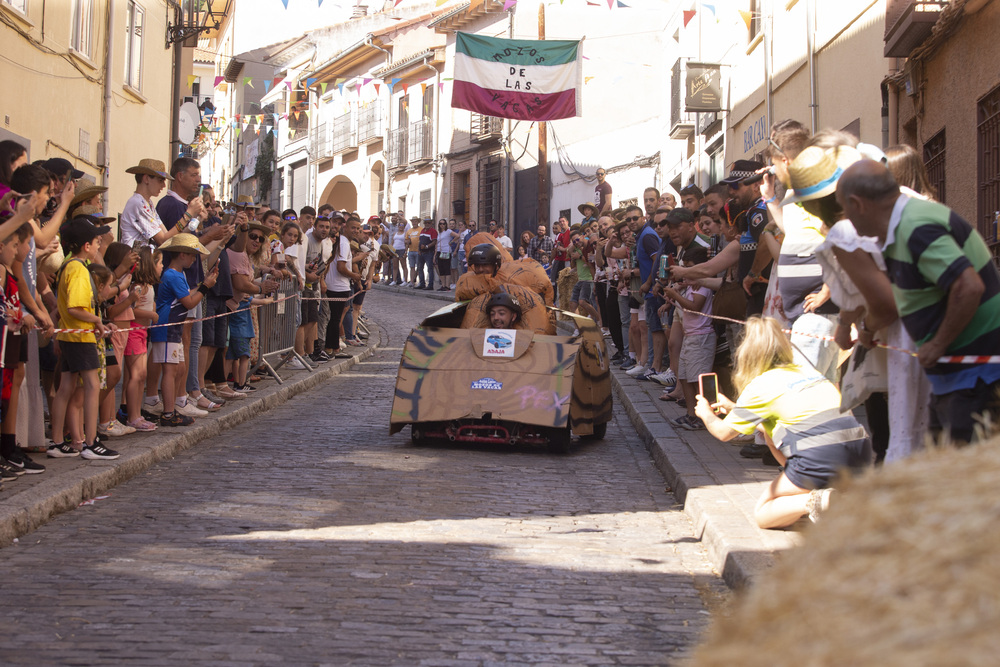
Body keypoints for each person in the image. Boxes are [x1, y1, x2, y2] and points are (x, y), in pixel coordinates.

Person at [837, 159, 1000, 445]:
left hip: (976, 375)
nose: (845, 219)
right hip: (959, 375)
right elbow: (904, 299)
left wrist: (937, 343)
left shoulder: (916, 228)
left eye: (844, 209)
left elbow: (968, 286)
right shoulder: (904, 227)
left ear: (856, 204)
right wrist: (867, 328)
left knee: (961, 470)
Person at [694, 317, 872, 528]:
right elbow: (790, 419)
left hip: (819, 455)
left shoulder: (760, 385)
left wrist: (705, 413)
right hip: (859, 449)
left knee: (764, 513)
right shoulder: (808, 372)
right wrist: (734, 408)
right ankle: (824, 493)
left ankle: (814, 500)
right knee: (769, 432)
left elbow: (723, 433)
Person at [47, 217, 119, 459]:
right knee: (91, 387)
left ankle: (57, 442)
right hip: (80, 337)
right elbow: (76, 308)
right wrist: (98, 321)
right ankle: (90, 442)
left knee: (66, 388)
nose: (100, 246)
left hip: (70, 336)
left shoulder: (68, 267)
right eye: (97, 242)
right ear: (86, 246)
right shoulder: (78, 269)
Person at [152, 234, 219, 427]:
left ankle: (173, 406)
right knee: (171, 371)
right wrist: (205, 287)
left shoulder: (176, 274)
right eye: (192, 256)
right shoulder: (172, 274)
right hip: (168, 328)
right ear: (182, 254)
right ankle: (168, 412)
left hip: (174, 329)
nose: (194, 260)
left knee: (178, 369)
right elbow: (189, 302)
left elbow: (187, 295)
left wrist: (203, 284)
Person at [661, 246, 715, 430]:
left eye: (689, 268)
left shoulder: (704, 287)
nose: (685, 274)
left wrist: (675, 295)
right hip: (690, 336)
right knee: (684, 377)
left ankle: (705, 416)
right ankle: (691, 414)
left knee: (697, 379)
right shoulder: (691, 286)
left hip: (701, 337)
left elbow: (694, 307)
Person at [324, 217, 363, 358]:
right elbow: (341, 267)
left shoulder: (343, 242)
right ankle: (332, 348)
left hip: (338, 285)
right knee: (335, 318)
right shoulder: (344, 243)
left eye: (358, 228)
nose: (356, 231)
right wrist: (354, 275)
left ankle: (333, 348)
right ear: (345, 227)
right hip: (338, 286)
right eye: (353, 227)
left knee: (335, 318)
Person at [416, 218, 437, 290]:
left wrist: (426, 246)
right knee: (420, 268)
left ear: (431, 223)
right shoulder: (422, 230)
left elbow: (434, 242)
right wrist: (419, 249)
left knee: (430, 269)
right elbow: (420, 241)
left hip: (429, 252)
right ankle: (422, 283)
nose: (427, 224)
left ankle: (430, 285)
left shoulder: (433, 231)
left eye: (428, 223)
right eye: (426, 223)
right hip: (421, 253)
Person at [435, 219, 455, 291]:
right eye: (440, 224)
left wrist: (451, 242)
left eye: (443, 224)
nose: (442, 225)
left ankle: (447, 286)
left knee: (447, 268)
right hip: (439, 251)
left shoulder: (448, 231)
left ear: (445, 224)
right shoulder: (439, 233)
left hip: (446, 251)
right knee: (441, 269)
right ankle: (443, 285)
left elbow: (457, 236)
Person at [404, 217, 422, 286]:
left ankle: (420, 281)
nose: (414, 223)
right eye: (413, 221)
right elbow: (406, 240)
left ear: (418, 222)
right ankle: (411, 281)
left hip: (418, 251)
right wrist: (406, 249)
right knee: (412, 267)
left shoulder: (421, 229)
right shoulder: (409, 231)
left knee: (419, 267)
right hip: (411, 251)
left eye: (415, 221)